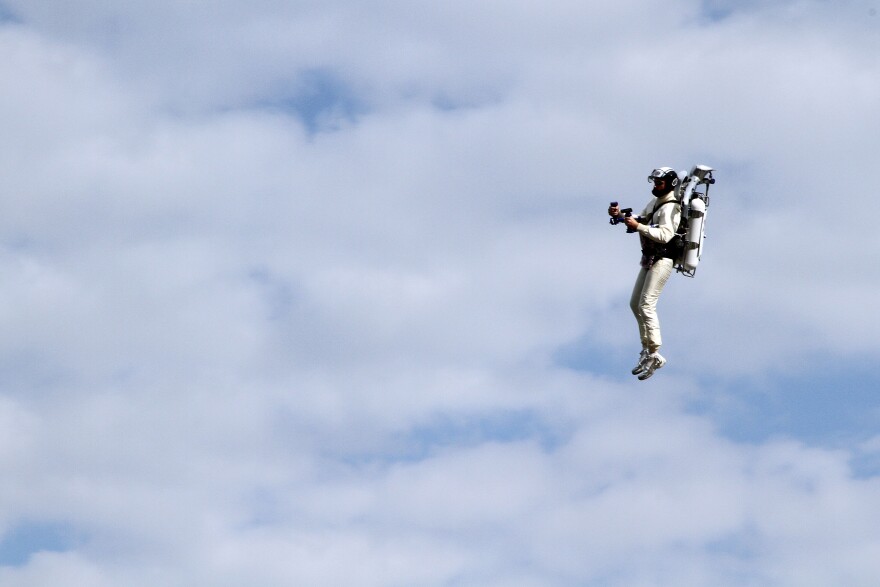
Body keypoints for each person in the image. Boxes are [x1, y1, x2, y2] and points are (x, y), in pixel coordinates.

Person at [608, 167, 682, 380]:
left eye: (659, 183)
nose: (655, 187)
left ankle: (655, 353)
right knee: (635, 303)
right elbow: (642, 218)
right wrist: (621, 216)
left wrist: (639, 226)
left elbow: (665, 234)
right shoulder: (658, 203)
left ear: (669, 184)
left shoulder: (671, 207)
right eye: (654, 183)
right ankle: (647, 349)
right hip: (650, 258)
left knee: (646, 303)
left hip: (663, 258)